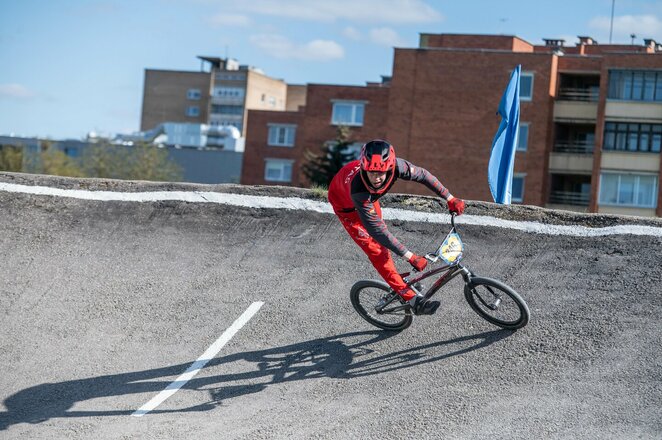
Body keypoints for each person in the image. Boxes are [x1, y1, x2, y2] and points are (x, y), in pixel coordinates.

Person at [328, 139, 465, 315]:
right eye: (371, 173)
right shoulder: (359, 189)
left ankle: (397, 280)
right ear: (364, 167)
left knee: (386, 241)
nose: (376, 178)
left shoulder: (398, 166)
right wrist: (410, 257)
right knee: (378, 251)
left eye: (381, 173)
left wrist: (450, 198)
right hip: (348, 208)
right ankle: (413, 300)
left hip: (369, 201)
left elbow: (423, 175)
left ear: (390, 167)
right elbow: (376, 231)